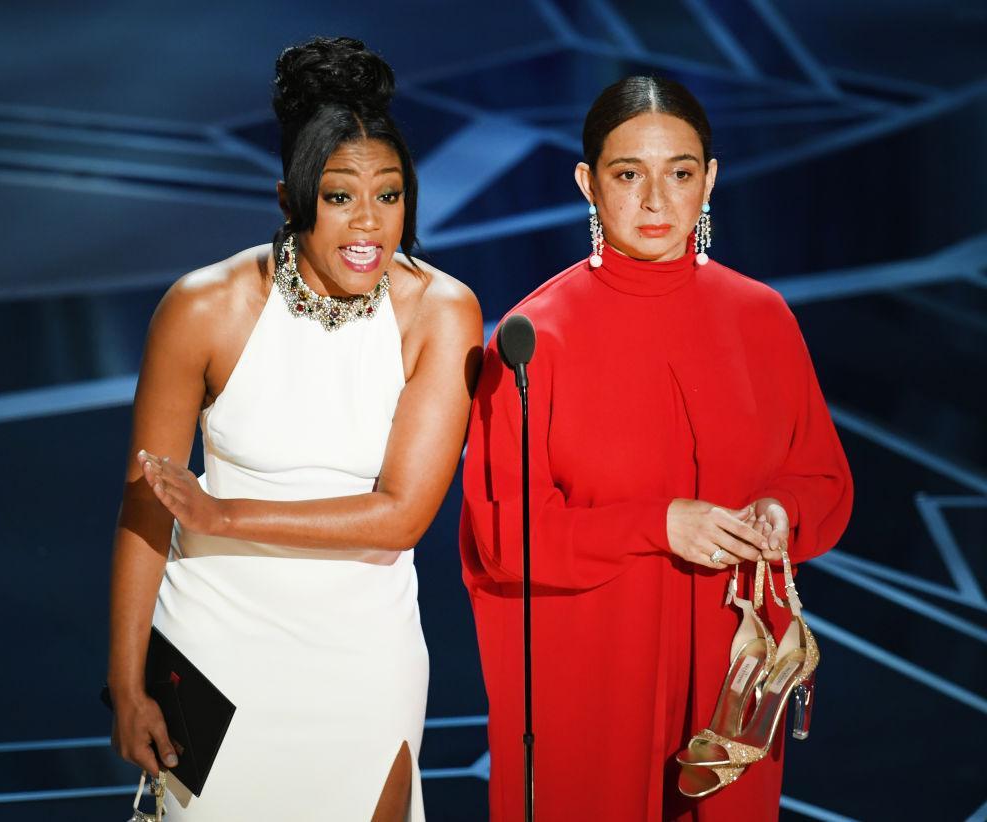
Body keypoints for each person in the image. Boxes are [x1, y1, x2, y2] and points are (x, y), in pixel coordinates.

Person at [107, 37, 482, 821]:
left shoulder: (441, 312)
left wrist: (220, 514)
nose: (369, 223)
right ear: (290, 198)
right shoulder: (203, 307)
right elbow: (146, 504)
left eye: (389, 194)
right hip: (215, 644)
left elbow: (404, 514)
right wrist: (127, 678)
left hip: (361, 657)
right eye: (341, 195)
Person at [460, 75, 852, 820]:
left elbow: (824, 478)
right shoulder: (535, 334)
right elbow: (503, 534)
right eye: (627, 174)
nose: (655, 200)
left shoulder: (761, 316)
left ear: (710, 180)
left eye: (679, 173)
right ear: (587, 183)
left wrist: (781, 509)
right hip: (595, 672)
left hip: (730, 671)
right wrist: (658, 523)